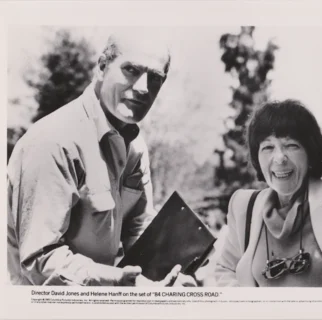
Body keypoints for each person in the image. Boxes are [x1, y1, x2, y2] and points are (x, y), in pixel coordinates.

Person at [7, 29, 195, 286]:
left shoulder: (135, 146)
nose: (142, 87)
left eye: (155, 78)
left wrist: (166, 277)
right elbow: (40, 261)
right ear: (102, 67)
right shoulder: (54, 141)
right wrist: (117, 280)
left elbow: (138, 231)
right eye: (131, 69)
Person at [214, 99, 322, 287]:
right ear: (257, 158)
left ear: (310, 153)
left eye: (291, 145)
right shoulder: (244, 206)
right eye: (268, 147)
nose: (279, 158)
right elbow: (226, 270)